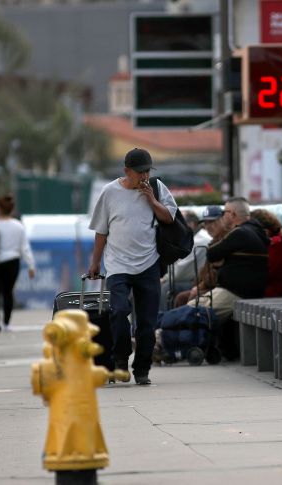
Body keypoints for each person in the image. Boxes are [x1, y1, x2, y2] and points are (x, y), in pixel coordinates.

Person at [86, 147, 178, 386]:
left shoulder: (157, 188)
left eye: (147, 171)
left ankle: (142, 369)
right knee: (118, 312)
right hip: (118, 265)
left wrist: (151, 199)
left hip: (148, 263)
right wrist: (95, 262)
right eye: (139, 172)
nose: (144, 176)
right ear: (126, 171)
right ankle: (119, 360)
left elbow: (169, 218)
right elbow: (101, 231)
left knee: (147, 322)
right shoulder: (109, 192)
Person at [185, 197, 269, 359]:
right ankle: (161, 334)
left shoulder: (240, 232)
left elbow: (212, 253)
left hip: (235, 292)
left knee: (195, 313)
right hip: (232, 289)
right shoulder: (250, 231)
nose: (209, 226)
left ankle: (162, 337)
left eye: (223, 214)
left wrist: (201, 286)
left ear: (232, 214)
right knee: (189, 305)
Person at [0, 194, 36, 332]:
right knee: (8, 292)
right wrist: (31, 265)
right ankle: (6, 323)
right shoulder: (18, 226)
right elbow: (24, 248)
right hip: (12, 262)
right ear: (12, 209)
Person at [173, 205, 229, 308]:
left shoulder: (225, 240)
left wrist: (199, 287)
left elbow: (216, 273)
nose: (209, 226)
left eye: (213, 221)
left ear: (223, 220)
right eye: (206, 223)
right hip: (207, 285)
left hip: (221, 288)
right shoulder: (213, 241)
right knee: (181, 297)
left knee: (175, 291)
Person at [158, 209, 211, 311]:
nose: (176, 227)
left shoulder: (199, 240)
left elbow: (179, 272)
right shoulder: (194, 238)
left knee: (164, 287)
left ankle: (161, 322)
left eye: (179, 222)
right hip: (195, 280)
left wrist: (164, 279)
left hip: (196, 282)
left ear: (191, 224)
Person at [250, 208, 282, 297]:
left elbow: (265, 274)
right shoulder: (276, 242)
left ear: (265, 231)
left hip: (270, 296)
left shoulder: (276, 245)